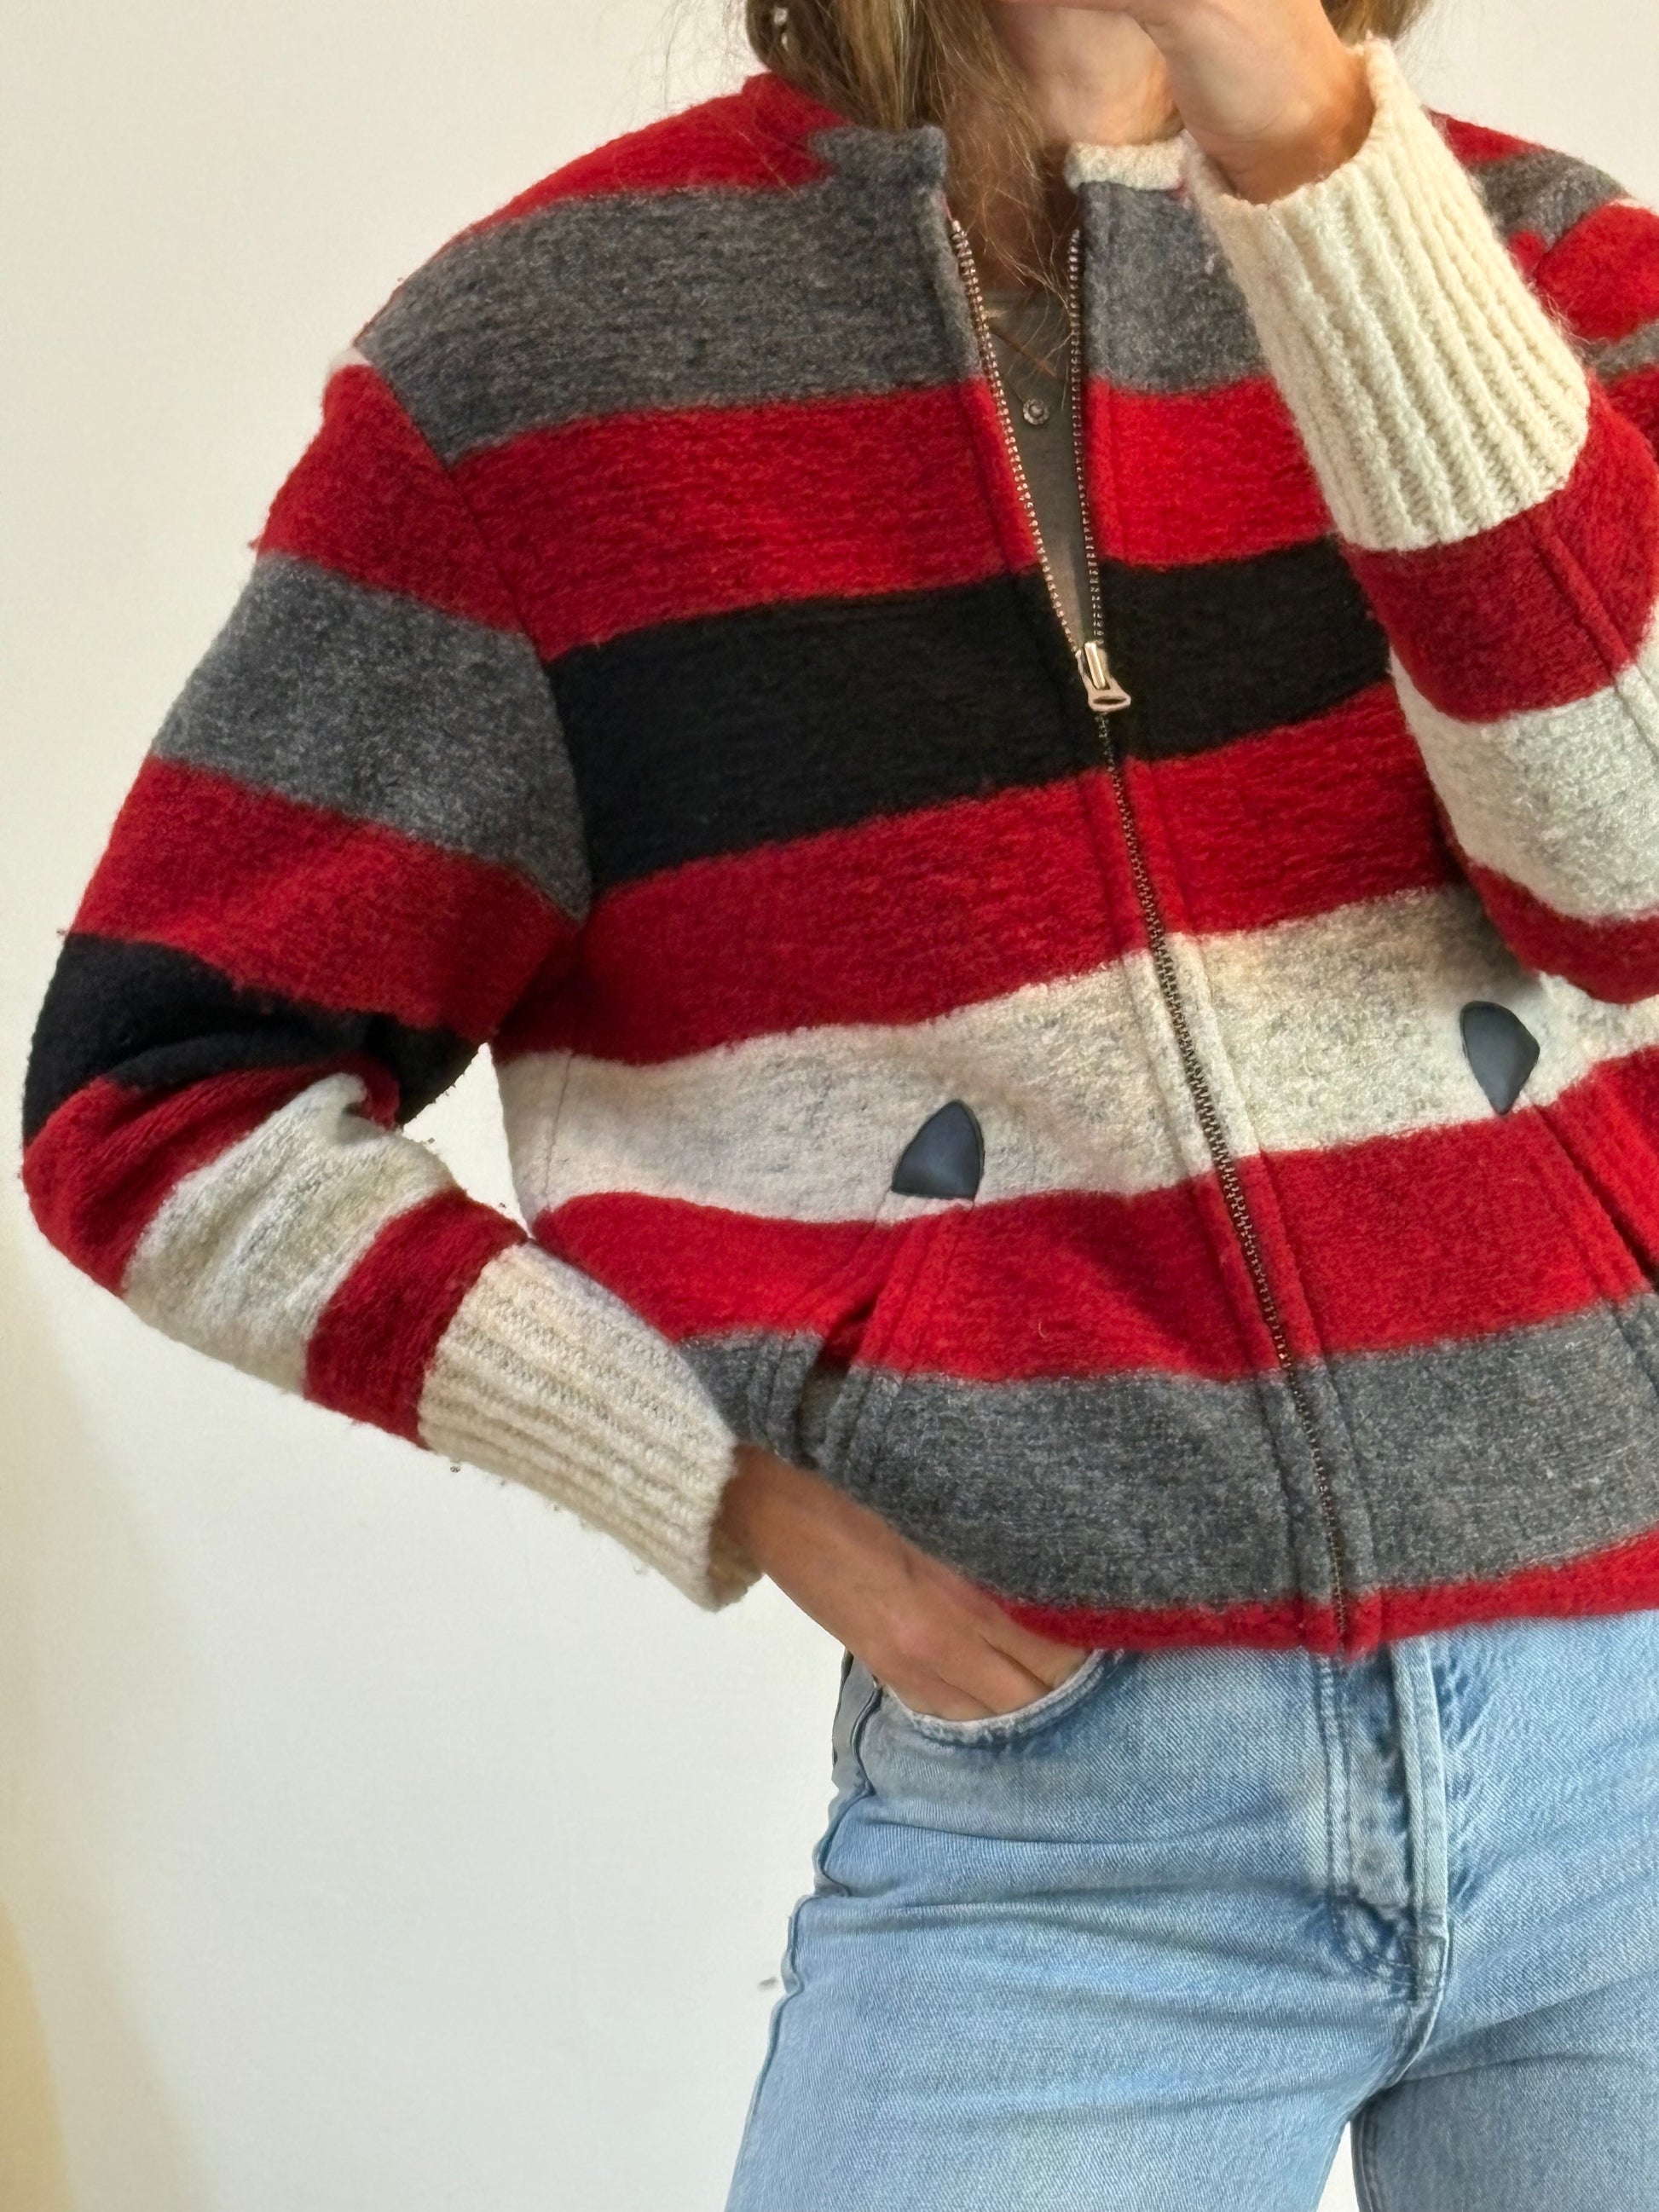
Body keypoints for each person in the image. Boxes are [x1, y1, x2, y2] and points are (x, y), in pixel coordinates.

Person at [18, 0, 1659, 2197]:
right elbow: (160, 1103)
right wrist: (708, 1474)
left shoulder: (1544, 270)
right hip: (1073, 1821)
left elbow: (1631, 881)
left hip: (1632, 1700)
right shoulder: (542, 371)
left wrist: (1312, 144)